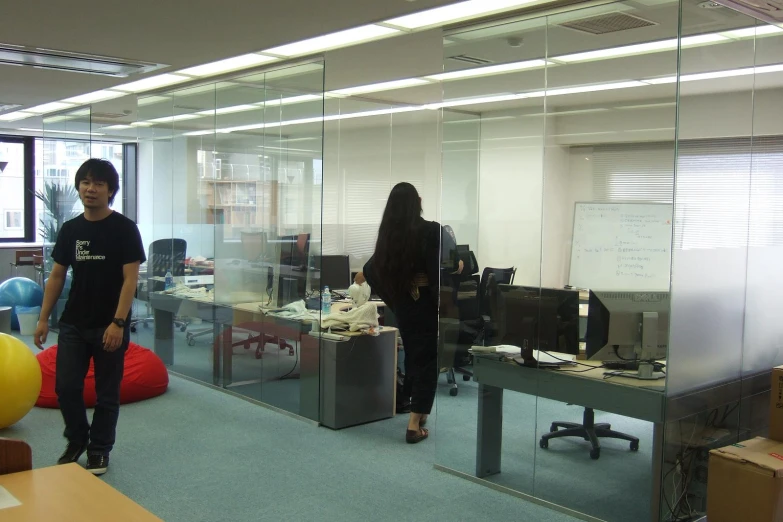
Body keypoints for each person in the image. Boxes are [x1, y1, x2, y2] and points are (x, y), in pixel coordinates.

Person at [34, 158, 146, 476]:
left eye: (98, 183)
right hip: (73, 323)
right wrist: (43, 319)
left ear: (110, 190)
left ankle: (99, 449)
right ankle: (77, 440)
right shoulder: (71, 230)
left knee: (106, 394)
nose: (90, 188)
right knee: (66, 388)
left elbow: (130, 281)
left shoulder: (124, 228)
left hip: (109, 324)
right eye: (85, 181)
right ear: (78, 186)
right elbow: (56, 277)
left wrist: (118, 322)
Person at [354, 182, 454, 444]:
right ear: (417, 202)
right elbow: (436, 273)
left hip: (406, 308)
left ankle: (418, 413)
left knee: (414, 359)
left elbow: (370, 270)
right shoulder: (431, 230)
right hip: (426, 306)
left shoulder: (389, 234)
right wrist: (455, 271)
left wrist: (395, 301)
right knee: (428, 362)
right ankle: (414, 423)